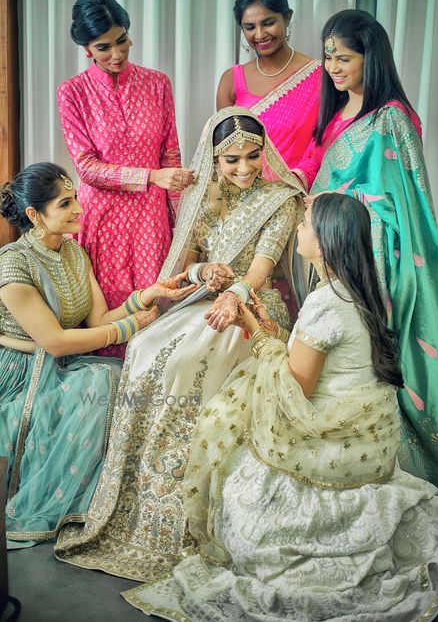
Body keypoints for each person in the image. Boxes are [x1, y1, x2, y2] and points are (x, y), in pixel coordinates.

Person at [122, 194, 438, 621]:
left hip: (333, 441)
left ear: (327, 240)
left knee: (235, 458)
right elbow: (315, 361)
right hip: (366, 439)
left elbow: (295, 388)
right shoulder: (351, 290)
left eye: (307, 224)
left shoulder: (325, 301)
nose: (299, 229)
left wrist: (255, 331)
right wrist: (270, 331)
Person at [54, 107, 305, 579]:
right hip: (205, 298)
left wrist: (234, 294)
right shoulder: (203, 198)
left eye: (253, 156)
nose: (245, 168)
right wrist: (200, 273)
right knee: (144, 347)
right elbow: (184, 265)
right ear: (214, 157)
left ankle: (182, 506)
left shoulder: (279, 199)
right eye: (231, 160)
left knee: (191, 357)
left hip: (254, 305)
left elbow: (261, 269)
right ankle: (139, 501)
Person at [0, 163, 197, 546]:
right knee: (101, 379)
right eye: (66, 204)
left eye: (74, 200)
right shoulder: (13, 263)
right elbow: (55, 340)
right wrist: (131, 327)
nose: (78, 209)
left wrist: (149, 294)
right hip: (19, 371)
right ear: (34, 215)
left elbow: (100, 318)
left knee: (123, 376)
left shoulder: (73, 252)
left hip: (59, 365)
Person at [303, 9, 438, 497]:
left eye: (343, 57)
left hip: (377, 259)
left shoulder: (393, 119)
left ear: (372, 57)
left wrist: (341, 204)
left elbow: (404, 204)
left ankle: (401, 462)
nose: (333, 67)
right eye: (328, 57)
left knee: (380, 360)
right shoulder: (333, 114)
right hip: (329, 255)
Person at [58, 0, 194, 358]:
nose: (116, 54)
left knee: (156, 311)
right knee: (109, 315)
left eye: (122, 41)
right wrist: (150, 177)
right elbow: (86, 167)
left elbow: (170, 155)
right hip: (102, 218)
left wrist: (182, 223)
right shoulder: (73, 93)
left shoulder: (157, 83)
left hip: (151, 218)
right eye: (103, 47)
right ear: (87, 49)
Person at [217, 0, 320, 188]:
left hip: (297, 195)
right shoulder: (232, 80)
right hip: (245, 202)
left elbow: (324, 145)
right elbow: (225, 151)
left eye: (268, 23)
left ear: (287, 17)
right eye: (249, 27)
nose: (260, 34)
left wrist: (291, 182)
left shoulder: (319, 76)